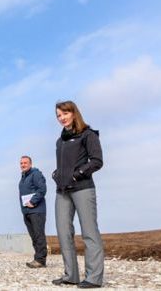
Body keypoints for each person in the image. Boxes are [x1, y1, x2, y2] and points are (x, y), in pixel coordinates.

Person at [52, 101, 104, 289]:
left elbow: (97, 161)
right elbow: (62, 165)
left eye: (64, 113)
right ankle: (70, 275)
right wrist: (56, 174)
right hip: (63, 191)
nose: (61, 118)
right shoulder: (60, 140)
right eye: (58, 115)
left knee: (89, 232)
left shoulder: (88, 134)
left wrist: (77, 174)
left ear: (74, 113)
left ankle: (94, 277)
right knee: (63, 232)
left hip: (83, 188)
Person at [18, 155, 47, 269]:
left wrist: (33, 201)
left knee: (39, 235)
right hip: (27, 211)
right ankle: (37, 258)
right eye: (21, 163)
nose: (23, 165)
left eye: (25, 163)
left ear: (30, 164)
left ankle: (40, 260)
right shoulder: (23, 177)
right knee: (34, 236)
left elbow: (42, 189)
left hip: (37, 210)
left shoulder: (35, 174)